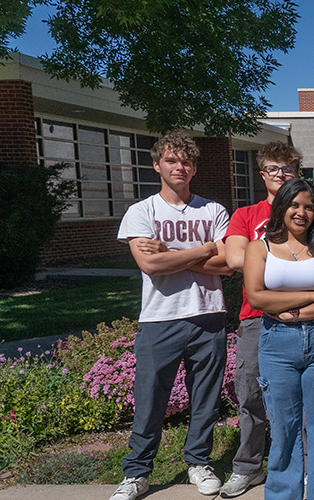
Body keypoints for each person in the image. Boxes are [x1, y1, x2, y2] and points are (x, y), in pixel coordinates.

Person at [111, 131, 232, 500]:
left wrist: (171, 251)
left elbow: (226, 265)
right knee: (149, 398)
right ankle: (137, 473)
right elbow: (150, 264)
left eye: (187, 161)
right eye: (172, 160)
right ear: (156, 165)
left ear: (194, 167)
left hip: (208, 315)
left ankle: (199, 461)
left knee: (205, 399)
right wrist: (204, 248)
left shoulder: (213, 210)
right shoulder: (142, 211)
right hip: (159, 319)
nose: (180, 167)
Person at [243, 179, 314, 500]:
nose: (301, 212)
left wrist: (296, 311)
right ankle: (282, 495)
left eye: (308, 206)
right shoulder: (259, 247)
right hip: (277, 345)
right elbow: (258, 297)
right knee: (283, 430)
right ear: (282, 207)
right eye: (294, 205)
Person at [220, 141, 302, 498]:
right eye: (273, 169)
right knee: (250, 392)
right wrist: (290, 266)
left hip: (302, 315)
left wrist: (265, 265)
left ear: (296, 173)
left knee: (298, 396)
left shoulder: (306, 211)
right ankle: (248, 467)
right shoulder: (246, 216)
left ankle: (298, 465)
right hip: (256, 318)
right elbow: (237, 259)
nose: (280, 176)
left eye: (287, 169)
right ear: (262, 173)